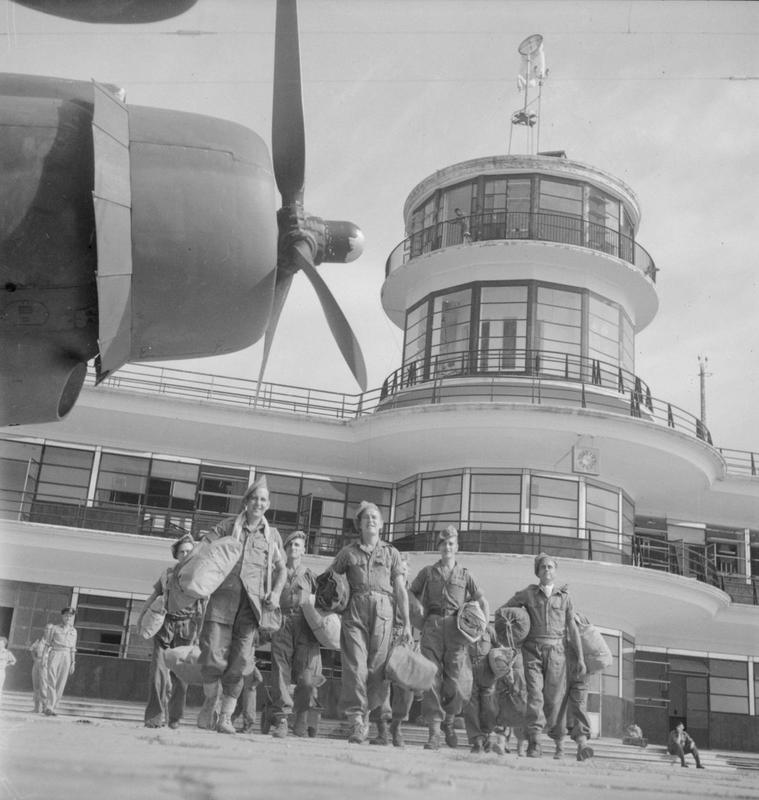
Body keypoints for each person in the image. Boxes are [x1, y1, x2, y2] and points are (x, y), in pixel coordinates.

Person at [196, 475, 286, 734]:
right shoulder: (226, 526)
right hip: (222, 600)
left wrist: (277, 593)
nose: (258, 503)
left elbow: (282, 570)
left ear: (268, 505)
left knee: (241, 662)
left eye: (263, 500)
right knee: (212, 655)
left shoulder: (272, 537)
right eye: (254, 498)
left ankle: (225, 716)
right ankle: (211, 698)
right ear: (246, 502)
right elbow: (204, 549)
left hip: (252, 607)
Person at [330, 501, 411, 744]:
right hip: (355, 610)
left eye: (375, 517)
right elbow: (330, 579)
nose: (371, 520)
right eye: (366, 518)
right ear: (360, 524)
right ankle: (356, 721)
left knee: (377, 670)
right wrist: (333, 602)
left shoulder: (391, 553)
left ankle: (366, 715)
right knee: (356, 666)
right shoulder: (348, 552)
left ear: (382, 524)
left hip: (384, 613)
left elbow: (400, 590)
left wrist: (406, 623)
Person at [409, 525, 489, 750]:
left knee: (457, 682)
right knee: (431, 678)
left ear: (457, 547)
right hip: (433, 626)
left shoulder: (466, 574)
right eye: (443, 543)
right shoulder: (428, 572)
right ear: (439, 547)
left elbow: (482, 600)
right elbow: (410, 593)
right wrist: (416, 609)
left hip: (457, 628)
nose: (447, 547)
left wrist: (481, 627)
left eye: (451, 543)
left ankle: (450, 722)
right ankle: (434, 732)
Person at [504, 553, 585, 758]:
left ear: (555, 571)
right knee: (535, 696)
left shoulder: (564, 597)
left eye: (550, 567)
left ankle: (559, 743)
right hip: (532, 651)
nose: (547, 570)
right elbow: (505, 611)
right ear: (538, 572)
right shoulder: (528, 594)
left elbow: (572, 629)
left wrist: (581, 658)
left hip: (558, 652)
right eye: (543, 567)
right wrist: (515, 628)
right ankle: (535, 742)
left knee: (556, 700)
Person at [137, 533, 204, 729]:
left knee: (181, 677)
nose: (185, 555)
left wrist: (201, 634)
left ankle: (174, 717)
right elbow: (153, 597)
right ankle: (154, 718)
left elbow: (205, 606)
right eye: (182, 551)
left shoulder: (199, 576)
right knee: (157, 674)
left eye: (189, 552)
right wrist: (141, 618)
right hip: (165, 627)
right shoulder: (167, 575)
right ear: (176, 555)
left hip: (188, 629)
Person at [269, 530, 323, 739]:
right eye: (290, 545)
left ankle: (301, 718)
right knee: (280, 670)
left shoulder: (310, 575)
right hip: (281, 622)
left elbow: (323, 603)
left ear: (303, 550)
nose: (293, 548)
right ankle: (282, 719)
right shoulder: (276, 573)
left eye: (297, 545)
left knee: (307, 677)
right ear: (285, 549)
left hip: (305, 626)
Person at [369, 552, 415, 747]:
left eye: (404, 569)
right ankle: (382, 731)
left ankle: (396, 725)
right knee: (381, 684)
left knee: (405, 688)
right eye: (399, 568)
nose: (401, 572)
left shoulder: (414, 593)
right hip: (384, 636)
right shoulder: (385, 590)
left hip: (405, 640)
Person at [464, 624, 499, 753]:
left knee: (490, 708)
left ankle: (488, 735)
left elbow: (498, 646)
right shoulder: (461, 626)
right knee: (471, 707)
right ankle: (477, 741)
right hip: (468, 670)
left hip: (487, 672)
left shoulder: (489, 629)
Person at [43, 607, 77, 716]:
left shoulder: (74, 631)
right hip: (55, 653)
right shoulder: (54, 628)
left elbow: (73, 648)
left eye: (70, 616)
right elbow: (47, 644)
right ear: (62, 616)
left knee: (61, 682)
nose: (68, 617)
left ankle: (53, 707)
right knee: (51, 680)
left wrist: (73, 662)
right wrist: (44, 657)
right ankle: (49, 706)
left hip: (67, 656)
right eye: (66, 615)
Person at [29, 625, 53, 713]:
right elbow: (32, 649)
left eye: (50, 629)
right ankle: (36, 708)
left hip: (46, 664)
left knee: (43, 685)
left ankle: (44, 707)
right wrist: (34, 658)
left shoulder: (53, 642)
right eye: (46, 628)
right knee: (36, 685)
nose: (47, 630)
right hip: (37, 662)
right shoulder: (39, 640)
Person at [0, 636, 17, 702]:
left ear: (4, 644)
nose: (0, 645)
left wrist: (6, 665)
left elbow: (14, 661)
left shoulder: (7, 652)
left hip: (1, 671)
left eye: (1, 643)